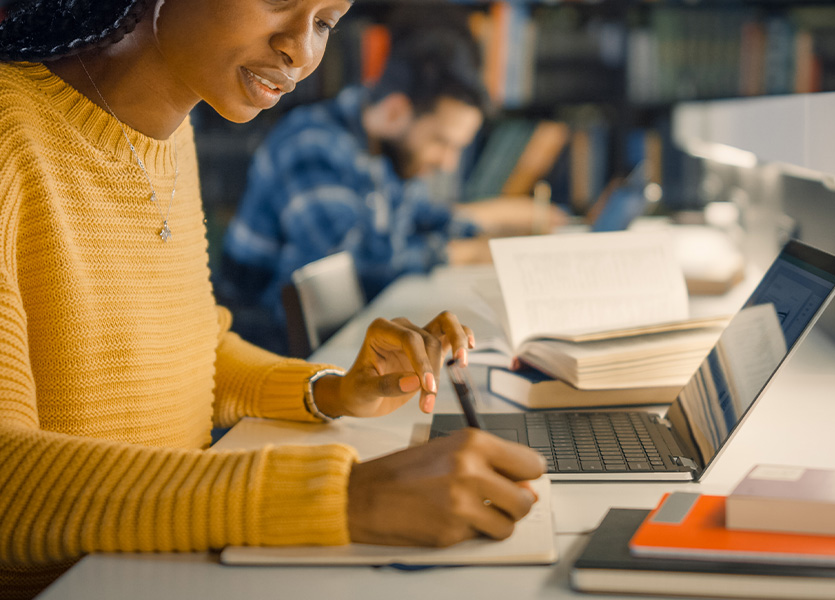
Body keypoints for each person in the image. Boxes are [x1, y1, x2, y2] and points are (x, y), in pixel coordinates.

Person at [0, 1, 545, 598]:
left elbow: (191, 346)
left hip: (165, 563)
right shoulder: (11, 135)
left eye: (324, 23)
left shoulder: (171, 132)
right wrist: (341, 497)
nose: (302, 52)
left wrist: (332, 388)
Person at [219, 17, 567, 354]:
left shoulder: (384, 148)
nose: (448, 162)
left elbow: (417, 217)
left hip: (337, 341)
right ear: (397, 111)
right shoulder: (311, 146)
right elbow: (350, 267)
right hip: (261, 349)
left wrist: (499, 221)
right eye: (442, 142)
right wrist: (464, 253)